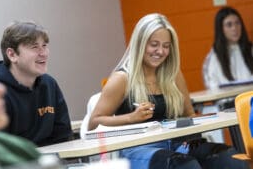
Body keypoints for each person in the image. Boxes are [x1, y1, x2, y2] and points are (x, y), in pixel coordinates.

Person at [88, 13, 248, 169]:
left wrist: (191, 135)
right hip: (138, 149)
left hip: (176, 144)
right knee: (185, 165)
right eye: (154, 44)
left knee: (229, 158)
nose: (160, 52)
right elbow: (93, 123)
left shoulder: (173, 74)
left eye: (166, 46)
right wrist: (131, 117)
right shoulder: (122, 79)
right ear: (140, 43)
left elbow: (189, 114)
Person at [0, 21, 73, 146]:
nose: (43, 53)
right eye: (34, 47)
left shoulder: (49, 84)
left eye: (45, 45)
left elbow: (63, 137)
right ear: (12, 54)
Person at [203, 6, 253, 91]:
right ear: (221, 29)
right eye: (229, 25)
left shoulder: (251, 50)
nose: (234, 28)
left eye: (237, 23)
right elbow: (212, 86)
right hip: (228, 102)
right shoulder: (214, 57)